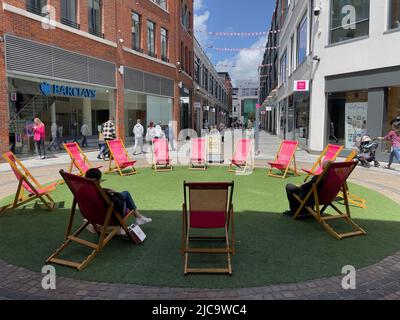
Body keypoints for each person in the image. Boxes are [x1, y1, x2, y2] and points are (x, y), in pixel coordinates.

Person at [85, 168, 152, 231]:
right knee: (126, 194)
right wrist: (115, 193)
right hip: (111, 218)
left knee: (123, 194)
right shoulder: (101, 194)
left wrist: (106, 190)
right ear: (98, 180)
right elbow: (117, 204)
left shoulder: (84, 191)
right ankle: (138, 217)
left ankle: (139, 217)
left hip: (94, 217)